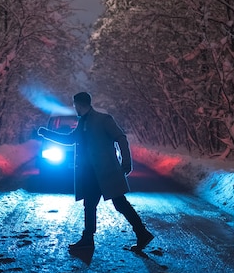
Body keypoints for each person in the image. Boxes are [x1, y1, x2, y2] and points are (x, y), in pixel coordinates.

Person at [37, 92, 154, 251]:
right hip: (91, 173)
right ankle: (89, 239)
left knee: (119, 204)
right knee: (91, 204)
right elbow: (70, 139)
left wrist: (126, 162)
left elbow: (121, 137)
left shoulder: (103, 120)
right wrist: (47, 134)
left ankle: (141, 233)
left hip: (106, 172)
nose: (74, 108)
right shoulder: (82, 122)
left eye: (75, 105)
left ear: (79, 104)